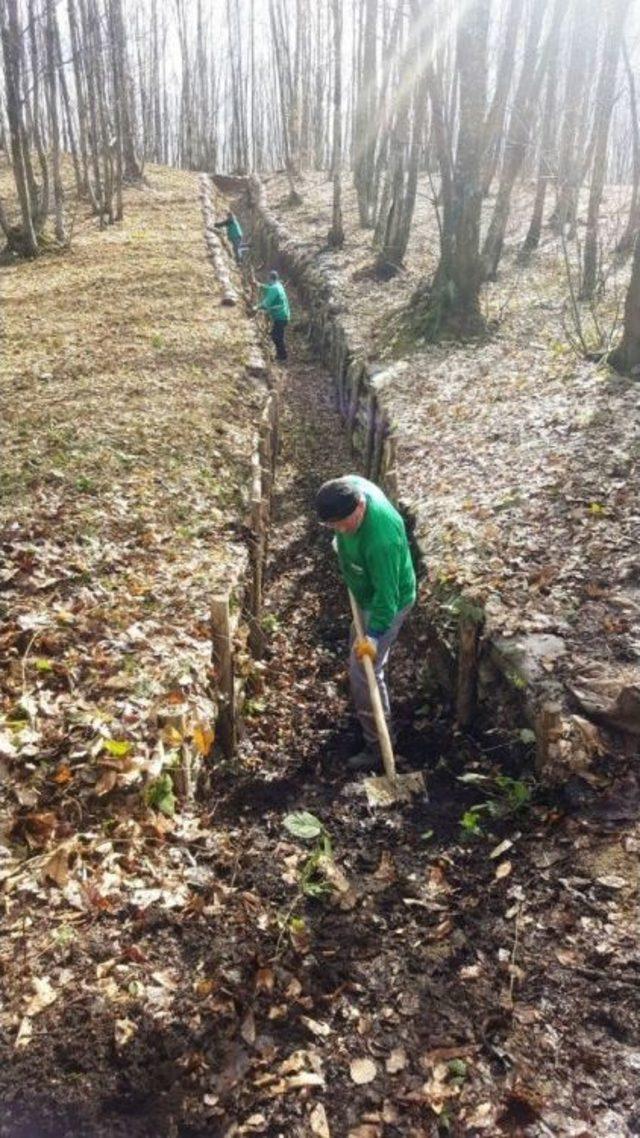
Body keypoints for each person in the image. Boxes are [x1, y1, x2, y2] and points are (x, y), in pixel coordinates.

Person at [315, 475, 416, 771]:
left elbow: (389, 597)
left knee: (365, 671)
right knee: (356, 658)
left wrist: (373, 635)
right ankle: (364, 711)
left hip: (386, 603)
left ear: (360, 506)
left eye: (343, 523)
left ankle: (378, 745)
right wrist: (340, 537)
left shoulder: (381, 540)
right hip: (366, 587)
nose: (340, 530)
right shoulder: (351, 488)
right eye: (333, 526)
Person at [256, 270, 290, 362]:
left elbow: (267, 302)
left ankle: (282, 357)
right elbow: (269, 288)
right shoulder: (278, 286)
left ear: (270, 278)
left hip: (280, 316)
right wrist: (260, 286)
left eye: (268, 279)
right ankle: (281, 355)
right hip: (284, 315)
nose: (268, 281)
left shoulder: (274, 288)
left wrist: (256, 307)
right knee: (277, 335)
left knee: (276, 336)